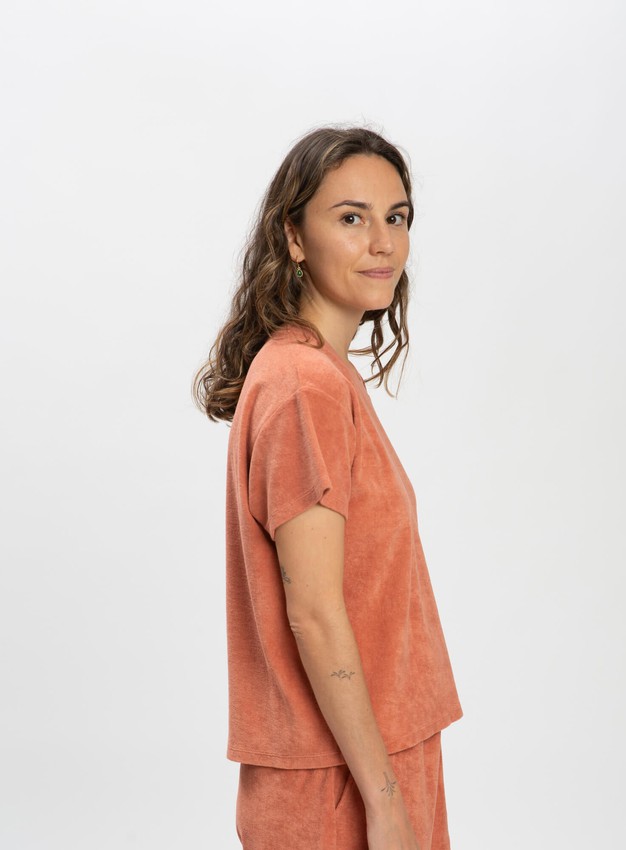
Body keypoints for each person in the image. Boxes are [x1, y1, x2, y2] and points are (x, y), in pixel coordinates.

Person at [193, 126, 464, 849]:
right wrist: (385, 803)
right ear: (294, 237)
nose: (382, 243)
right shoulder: (303, 386)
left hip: (370, 756)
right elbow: (312, 612)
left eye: (396, 217)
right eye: (351, 218)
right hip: (339, 785)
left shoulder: (318, 373)